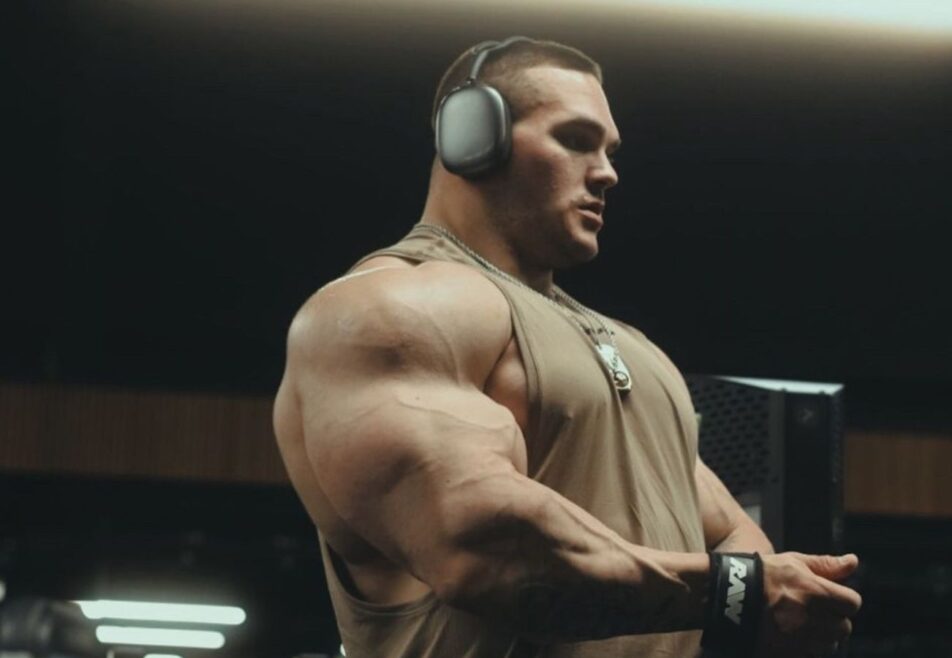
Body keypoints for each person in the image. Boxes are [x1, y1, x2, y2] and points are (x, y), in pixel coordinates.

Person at [273, 37, 862, 658]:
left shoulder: (636, 351)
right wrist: (734, 591)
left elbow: (734, 541)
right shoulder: (391, 309)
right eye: (576, 140)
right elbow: (486, 550)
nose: (607, 172)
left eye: (609, 151)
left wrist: (770, 594)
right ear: (472, 138)